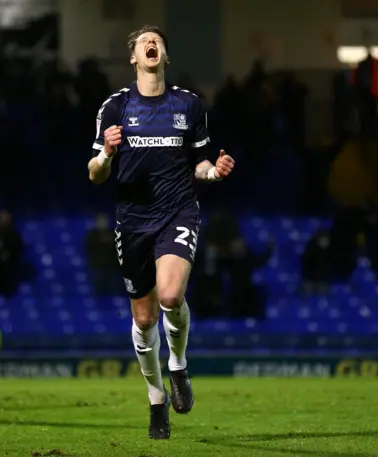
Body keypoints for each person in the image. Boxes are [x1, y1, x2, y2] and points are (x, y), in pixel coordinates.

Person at [87, 25, 235, 439]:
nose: (151, 45)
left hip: (178, 211)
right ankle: (156, 400)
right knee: (143, 315)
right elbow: (95, 174)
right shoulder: (114, 108)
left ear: (165, 55)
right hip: (133, 220)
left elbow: (200, 165)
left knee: (171, 296)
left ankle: (179, 365)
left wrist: (214, 172)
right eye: (143, 42)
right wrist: (107, 153)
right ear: (133, 56)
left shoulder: (189, 104)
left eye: (158, 41)